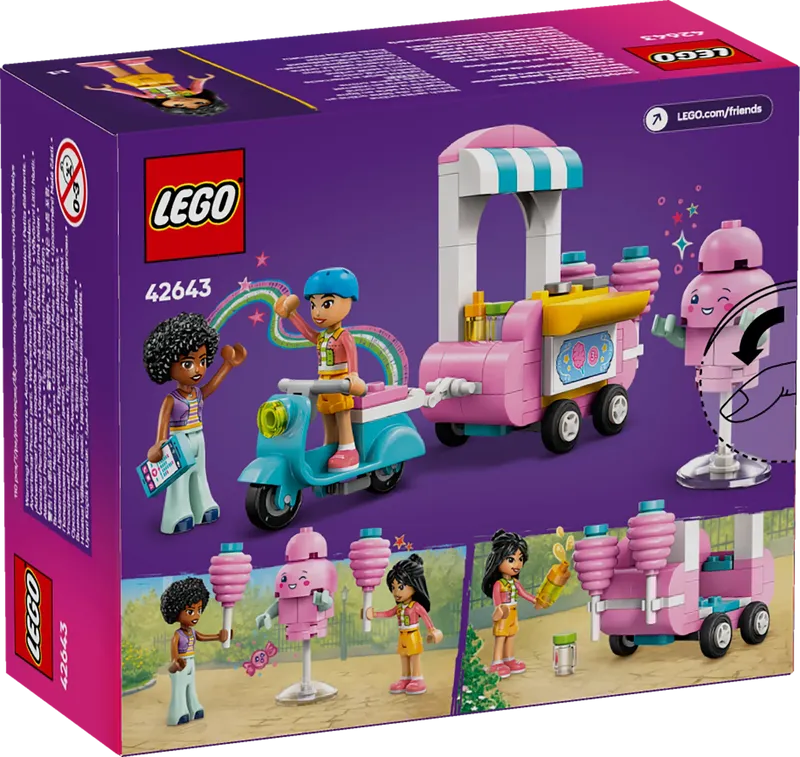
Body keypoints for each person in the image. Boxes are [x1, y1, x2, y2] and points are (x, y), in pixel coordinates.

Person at [143, 313, 247, 534]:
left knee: (199, 473)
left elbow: (211, 386)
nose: (198, 369)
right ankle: (177, 514)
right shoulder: (171, 399)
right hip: (179, 440)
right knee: (179, 478)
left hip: (199, 437)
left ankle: (203, 505)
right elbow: (163, 422)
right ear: (167, 364)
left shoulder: (197, 393)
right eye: (188, 363)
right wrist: (159, 443)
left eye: (202, 361)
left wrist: (228, 365)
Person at [274, 268, 367, 471]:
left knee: (342, 415)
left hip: (340, 382)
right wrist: (292, 315)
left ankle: (348, 449)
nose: (317, 312)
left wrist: (353, 375)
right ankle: (330, 445)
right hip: (323, 383)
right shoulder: (323, 337)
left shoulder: (344, 336)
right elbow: (309, 333)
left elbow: (352, 355)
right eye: (313, 305)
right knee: (327, 416)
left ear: (348, 301)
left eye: (326, 304)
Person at [363, 554, 443, 695]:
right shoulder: (399, 607)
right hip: (403, 636)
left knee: (414, 657)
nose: (396, 592)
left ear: (414, 585)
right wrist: (373, 614)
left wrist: (432, 630)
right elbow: (388, 613)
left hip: (413, 635)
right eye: (393, 587)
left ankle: (417, 678)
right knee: (404, 657)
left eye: (400, 587)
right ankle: (405, 678)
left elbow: (426, 617)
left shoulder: (416, 606)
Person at [160, 577, 230, 726]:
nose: (196, 615)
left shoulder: (192, 632)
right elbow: (174, 654)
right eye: (190, 611)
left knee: (191, 686)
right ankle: (178, 713)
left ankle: (194, 707)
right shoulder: (177, 635)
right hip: (181, 665)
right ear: (176, 611)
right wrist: (176, 663)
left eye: (199, 610)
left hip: (191, 662)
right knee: (179, 688)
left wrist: (219, 637)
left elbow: (202, 637)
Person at [481, 530, 543, 679]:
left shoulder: (515, 582)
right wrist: (499, 610)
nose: (517, 564)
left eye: (520, 559)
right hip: (504, 613)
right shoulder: (499, 584)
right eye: (511, 559)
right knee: (501, 637)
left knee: (511, 635)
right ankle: (497, 662)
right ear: (498, 560)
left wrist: (535, 600)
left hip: (513, 613)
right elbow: (497, 600)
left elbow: (524, 593)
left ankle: (509, 659)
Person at [77, 57, 228, 116]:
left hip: (139, 84)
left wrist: (109, 89)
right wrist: (201, 79)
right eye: (199, 102)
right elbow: (198, 86)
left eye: (179, 105)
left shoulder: (153, 96)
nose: (184, 101)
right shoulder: (191, 92)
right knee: (148, 72)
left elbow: (130, 93)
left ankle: (106, 66)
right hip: (163, 81)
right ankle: (138, 63)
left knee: (125, 77)